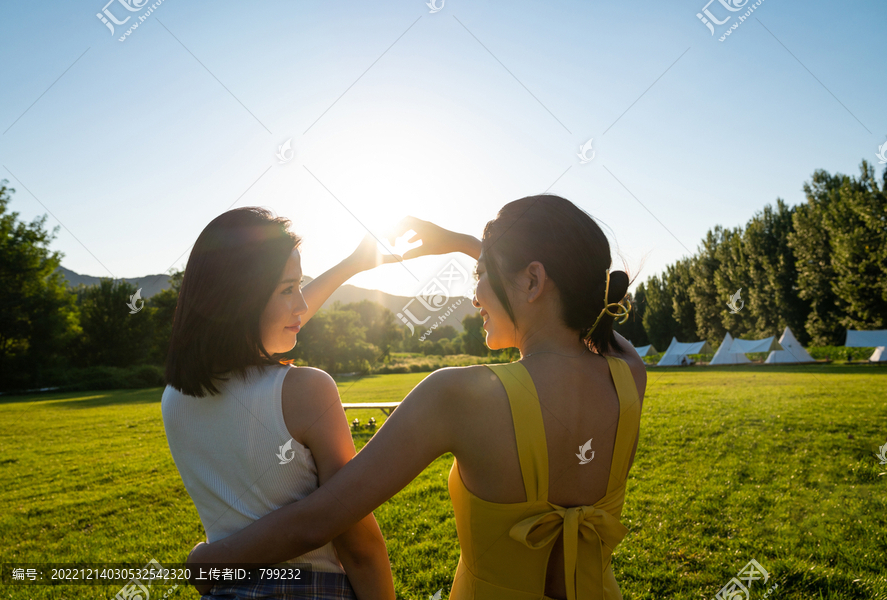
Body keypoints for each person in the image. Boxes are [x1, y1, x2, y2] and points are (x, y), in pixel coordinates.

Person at [188, 195, 648, 600]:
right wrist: (480, 249)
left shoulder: (460, 395)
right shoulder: (630, 375)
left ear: (532, 281)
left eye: (481, 275)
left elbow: (319, 518)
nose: (473, 297)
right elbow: (593, 317)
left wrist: (213, 560)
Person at [161, 207, 397, 600]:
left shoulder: (175, 399)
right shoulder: (307, 390)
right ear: (240, 299)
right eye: (288, 289)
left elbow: (276, 324)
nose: (302, 305)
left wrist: (352, 265)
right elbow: (359, 546)